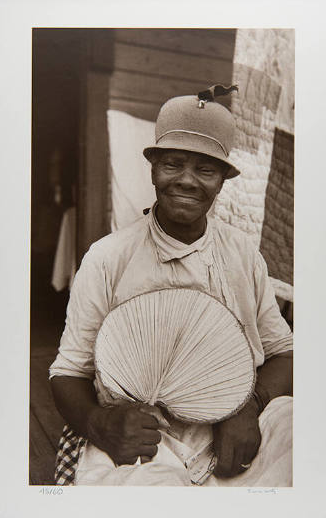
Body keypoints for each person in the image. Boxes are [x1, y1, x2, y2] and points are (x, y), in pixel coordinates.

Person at [49, 86, 293, 487]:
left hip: (235, 425)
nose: (187, 180)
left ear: (222, 180)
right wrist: (100, 422)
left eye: (206, 169)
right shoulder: (107, 258)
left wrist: (250, 407)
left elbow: (284, 352)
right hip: (142, 434)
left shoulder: (243, 254)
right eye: (173, 164)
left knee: (299, 440)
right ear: (153, 167)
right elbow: (67, 373)